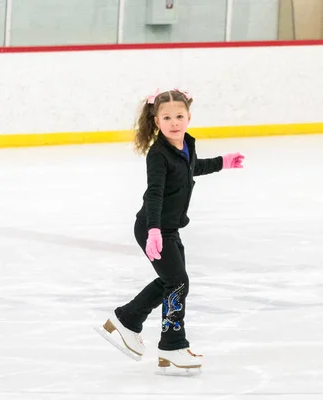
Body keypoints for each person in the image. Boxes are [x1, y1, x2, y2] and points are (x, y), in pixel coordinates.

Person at [95, 88, 244, 371]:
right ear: (156, 121)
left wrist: (222, 163)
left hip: (170, 228)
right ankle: (172, 345)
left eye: (179, 116)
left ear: (189, 117)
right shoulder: (158, 154)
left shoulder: (185, 144)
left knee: (172, 281)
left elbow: (190, 168)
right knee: (178, 282)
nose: (174, 122)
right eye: (167, 117)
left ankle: (126, 321)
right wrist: (153, 230)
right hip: (154, 228)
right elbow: (154, 194)